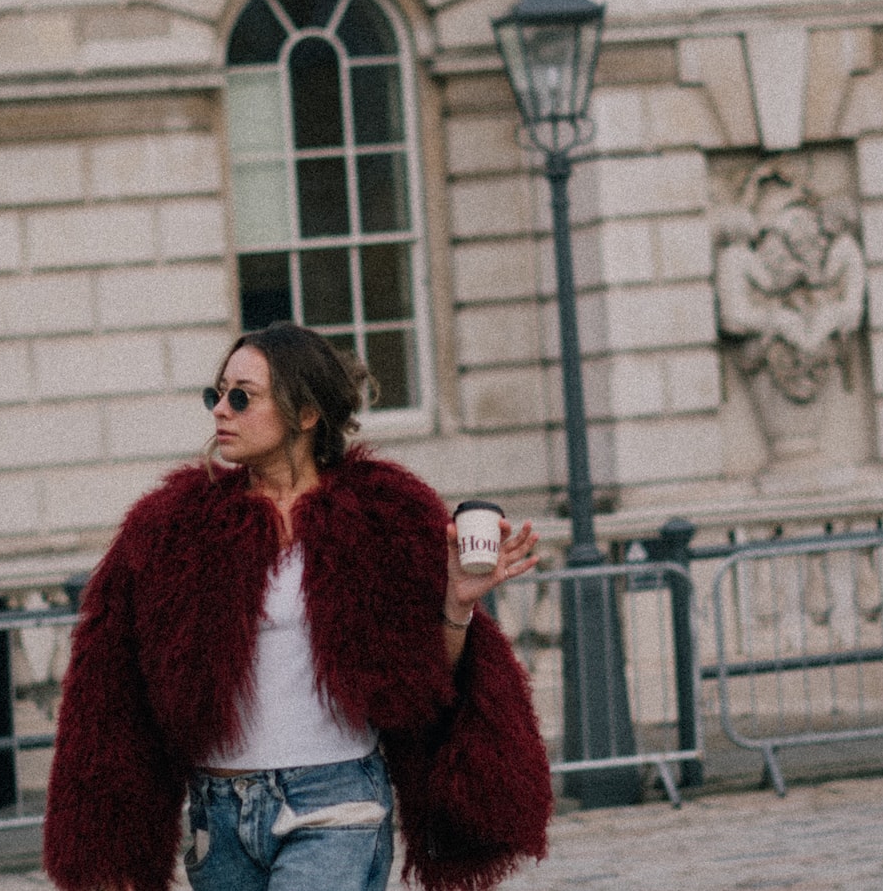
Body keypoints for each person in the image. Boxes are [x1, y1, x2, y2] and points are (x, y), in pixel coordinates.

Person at [43, 321, 554, 891]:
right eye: (216, 394)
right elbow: (112, 687)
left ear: (306, 413)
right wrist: (108, 847)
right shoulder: (174, 526)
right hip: (220, 815)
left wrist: (457, 603)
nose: (221, 412)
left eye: (243, 397)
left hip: (336, 804)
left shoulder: (381, 512)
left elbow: (419, 686)